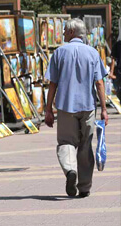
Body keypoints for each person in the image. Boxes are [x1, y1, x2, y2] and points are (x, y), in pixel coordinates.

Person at [44, 18, 108, 198]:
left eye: (65, 30)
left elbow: (53, 84)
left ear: (72, 32)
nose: (63, 33)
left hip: (65, 107)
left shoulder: (59, 53)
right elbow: (100, 83)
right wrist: (103, 109)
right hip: (88, 106)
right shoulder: (93, 53)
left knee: (66, 143)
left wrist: (48, 109)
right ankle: (85, 186)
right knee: (85, 145)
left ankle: (70, 170)